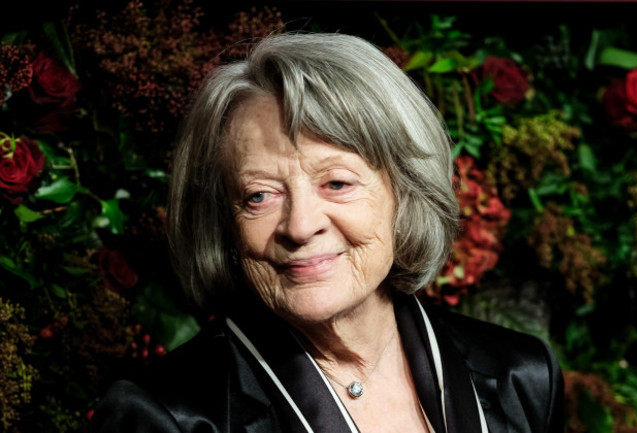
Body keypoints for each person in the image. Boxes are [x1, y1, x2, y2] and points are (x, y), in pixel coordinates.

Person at [90, 32, 564, 433]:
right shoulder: (165, 416)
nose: (299, 225)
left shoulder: (521, 375)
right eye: (259, 196)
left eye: (336, 183)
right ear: (225, 222)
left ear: (407, 192)